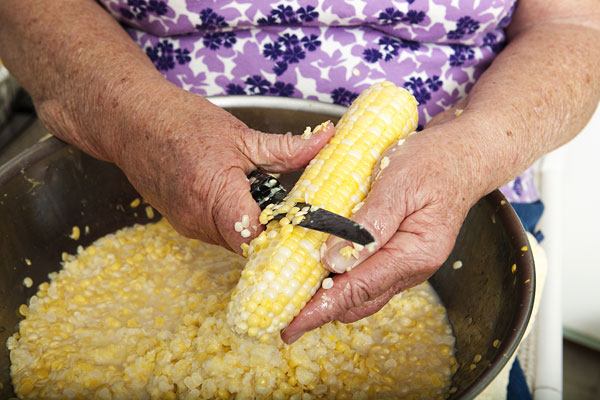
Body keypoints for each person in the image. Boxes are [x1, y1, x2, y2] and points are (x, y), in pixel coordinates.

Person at [0, 0, 598, 353]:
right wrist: (136, 123)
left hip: (454, 182)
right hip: (136, 149)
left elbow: (576, 30)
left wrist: (469, 154)